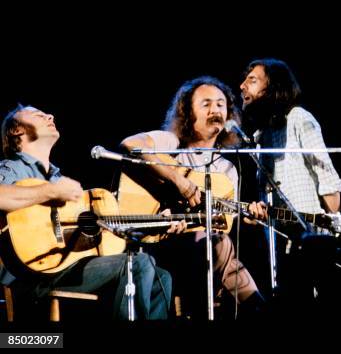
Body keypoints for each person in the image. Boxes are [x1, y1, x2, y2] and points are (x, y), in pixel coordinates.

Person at [0, 105, 172, 320]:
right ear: (16, 131)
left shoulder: (58, 179)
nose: (50, 115)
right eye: (38, 115)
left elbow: (93, 234)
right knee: (137, 265)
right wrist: (51, 191)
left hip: (66, 266)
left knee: (160, 277)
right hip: (30, 276)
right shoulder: (11, 168)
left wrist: (157, 224)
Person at [120, 75, 264, 318]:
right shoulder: (172, 143)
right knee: (220, 248)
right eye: (206, 104)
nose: (215, 109)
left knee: (218, 244)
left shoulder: (228, 170)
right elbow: (130, 144)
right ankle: (257, 307)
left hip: (200, 251)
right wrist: (179, 181)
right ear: (187, 112)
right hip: (158, 244)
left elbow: (219, 225)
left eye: (220, 104)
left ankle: (249, 308)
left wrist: (247, 215)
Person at [239, 58, 341, 312]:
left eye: (252, 80)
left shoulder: (298, 117)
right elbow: (266, 190)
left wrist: (327, 226)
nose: (242, 86)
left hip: (311, 238)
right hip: (280, 242)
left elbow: (325, 172)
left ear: (273, 86)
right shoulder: (261, 135)